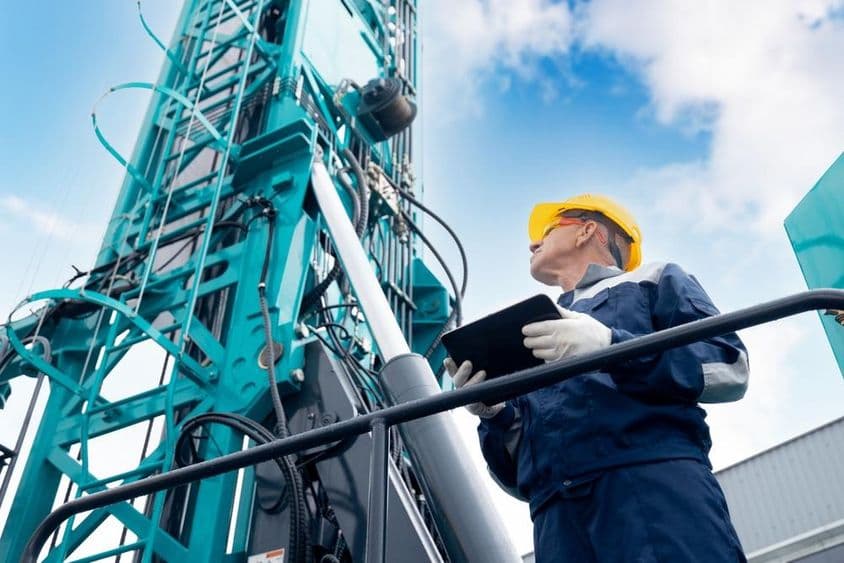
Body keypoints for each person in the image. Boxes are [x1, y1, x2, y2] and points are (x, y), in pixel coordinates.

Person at [444, 194, 749, 562]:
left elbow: (729, 368)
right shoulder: (535, 328)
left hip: (651, 488)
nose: (532, 242)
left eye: (548, 229)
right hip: (555, 516)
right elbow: (515, 477)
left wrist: (611, 344)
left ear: (587, 230)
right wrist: (494, 415)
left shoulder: (654, 279)